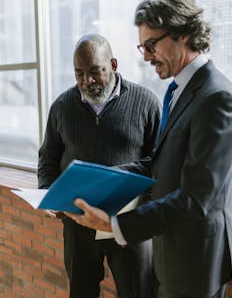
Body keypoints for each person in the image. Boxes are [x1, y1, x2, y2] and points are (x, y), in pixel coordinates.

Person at [64, 0, 232, 298]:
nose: (145, 56)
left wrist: (117, 225)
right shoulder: (177, 90)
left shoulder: (217, 97)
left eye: (152, 45)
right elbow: (159, 161)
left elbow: (197, 198)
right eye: (143, 46)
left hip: (195, 260)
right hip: (171, 250)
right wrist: (100, 180)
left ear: (182, 34)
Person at [38, 34, 161, 298]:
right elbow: (48, 157)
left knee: (138, 293)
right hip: (78, 224)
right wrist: (47, 191)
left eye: (95, 71)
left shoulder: (147, 102)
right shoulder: (61, 106)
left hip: (129, 224)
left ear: (114, 65)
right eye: (79, 74)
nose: (87, 81)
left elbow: (159, 161)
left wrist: (147, 209)